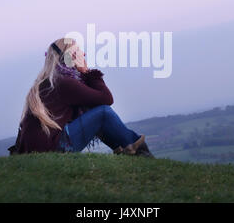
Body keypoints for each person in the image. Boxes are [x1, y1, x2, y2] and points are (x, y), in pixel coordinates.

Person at [9, 37, 155, 158]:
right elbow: (106, 98)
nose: (83, 54)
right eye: (78, 51)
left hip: (39, 148)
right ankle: (140, 152)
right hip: (52, 148)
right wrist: (86, 71)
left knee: (98, 115)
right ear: (69, 57)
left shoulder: (48, 82)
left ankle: (128, 150)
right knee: (103, 113)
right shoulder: (64, 83)